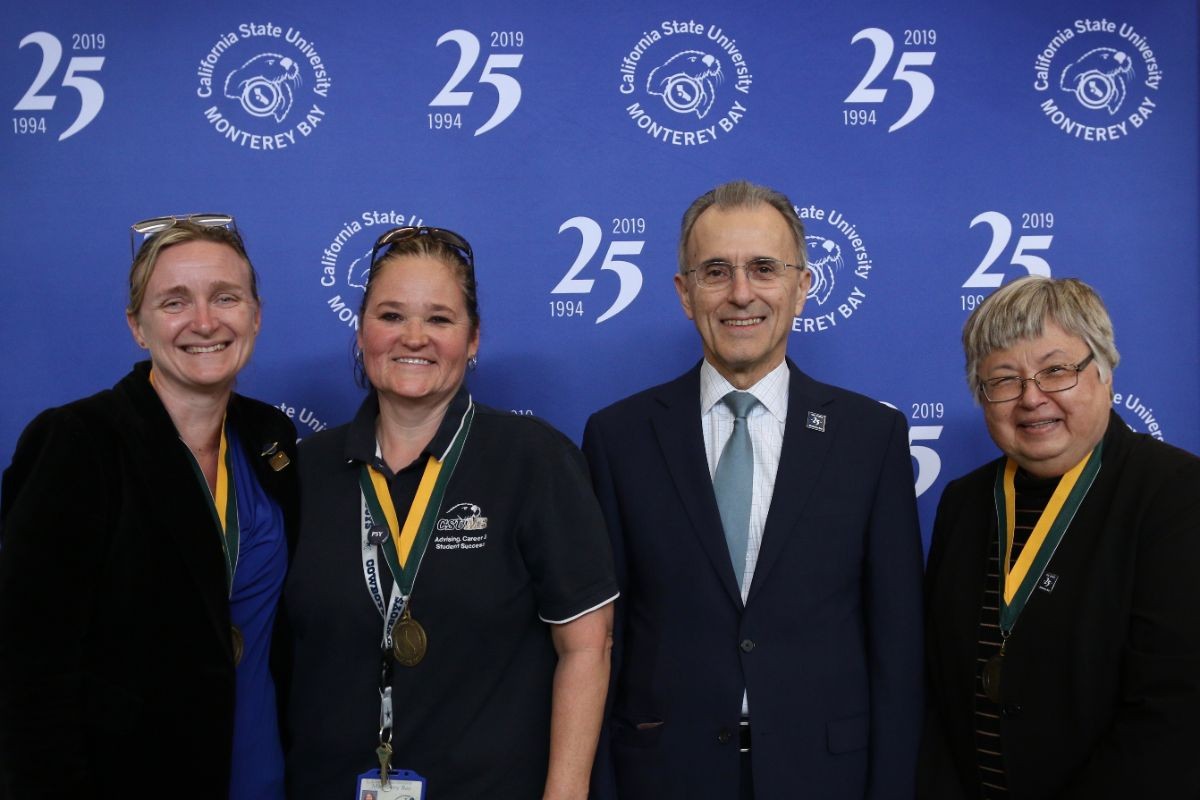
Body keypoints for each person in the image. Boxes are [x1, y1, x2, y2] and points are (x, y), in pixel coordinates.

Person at [583, 180, 925, 799]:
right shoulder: (619, 438)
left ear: (802, 286)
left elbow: (897, 647)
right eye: (716, 271)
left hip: (826, 777)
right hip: (663, 777)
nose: (741, 293)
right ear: (685, 294)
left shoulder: (870, 437)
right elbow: (603, 642)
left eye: (764, 269)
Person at [283, 226, 618, 799]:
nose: (414, 337)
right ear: (362, 331)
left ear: (473, 340)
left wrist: (565, 792)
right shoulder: (305, 470)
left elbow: (587, 647)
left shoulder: (533, 459)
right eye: (391, 316)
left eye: (439, 319)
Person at [0, 215, 298, 798]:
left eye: (226, 297)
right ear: (137, 326)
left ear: (256, 315)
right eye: (174, 302)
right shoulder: (78, 442)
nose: (204, 321)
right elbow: (27, 671)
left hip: (264, 773)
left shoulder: (270, 437)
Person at [918, 276, 1200, 798]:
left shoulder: (1176, 495)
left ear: (1105, 373)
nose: (1031, 398)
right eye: (1004, 379)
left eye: (1056, 371)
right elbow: (937, 687)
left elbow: (1175, 716)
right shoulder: (964, 502)